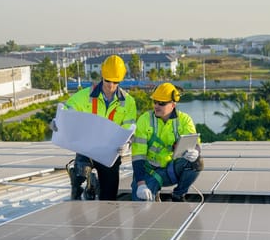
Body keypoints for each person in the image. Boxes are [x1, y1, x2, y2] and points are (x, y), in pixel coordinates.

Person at [51, 55, 137, 201]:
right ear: (102, 76)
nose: (110, 86)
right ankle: (80, 182)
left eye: (115, 82)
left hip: (109, 153)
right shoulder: (86, 95)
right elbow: (68, 109)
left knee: (109, 197)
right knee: (81, 174)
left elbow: (129, 127)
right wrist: (58, 120)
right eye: (107, 81)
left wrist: (126, 144)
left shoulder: (128, 102)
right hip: (87, 148)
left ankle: (98, 188)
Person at [130, 82, 203, 202]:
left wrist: (195, 151)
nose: (156, 106)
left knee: (197, 162)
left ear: (173, 105)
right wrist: (141, 184)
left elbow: (195, 144)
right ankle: (151, 191)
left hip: (171, 170)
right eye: (155, 102)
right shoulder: (144, 120)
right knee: (140, 204)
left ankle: (178, 195)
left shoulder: (184, 120)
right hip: (149, 172)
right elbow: (138, 155)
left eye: (162, 103)